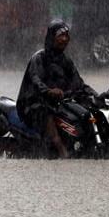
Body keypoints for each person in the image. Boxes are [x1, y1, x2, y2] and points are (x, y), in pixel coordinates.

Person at [16, 19, 91, 159]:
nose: (64, 39)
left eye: (66, 35)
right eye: (60, 35)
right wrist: (49, 91)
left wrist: (96, 95)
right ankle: (60, 148)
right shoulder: (39, 58)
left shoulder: (66, 61)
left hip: (56, 103)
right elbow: (36, 80)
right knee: (45, 111)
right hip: (32, 104)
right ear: (51, 37)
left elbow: (79, 83)